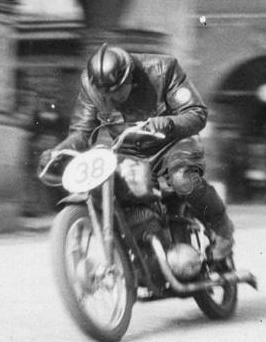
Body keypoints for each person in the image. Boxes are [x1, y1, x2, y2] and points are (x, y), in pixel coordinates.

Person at [38, 43, 235, 261]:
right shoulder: (92, 86)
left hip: (173, 144)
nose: (112, 97)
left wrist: (168, 123)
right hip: (129, 153)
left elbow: (197, 113)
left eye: (118, 90)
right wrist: (58, 151)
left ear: (131, 76)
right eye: (106, 93)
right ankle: (142, 244)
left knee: (183, 180)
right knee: (108, 192)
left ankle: (220, 225)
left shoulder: (163, 69)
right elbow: (81, 132)